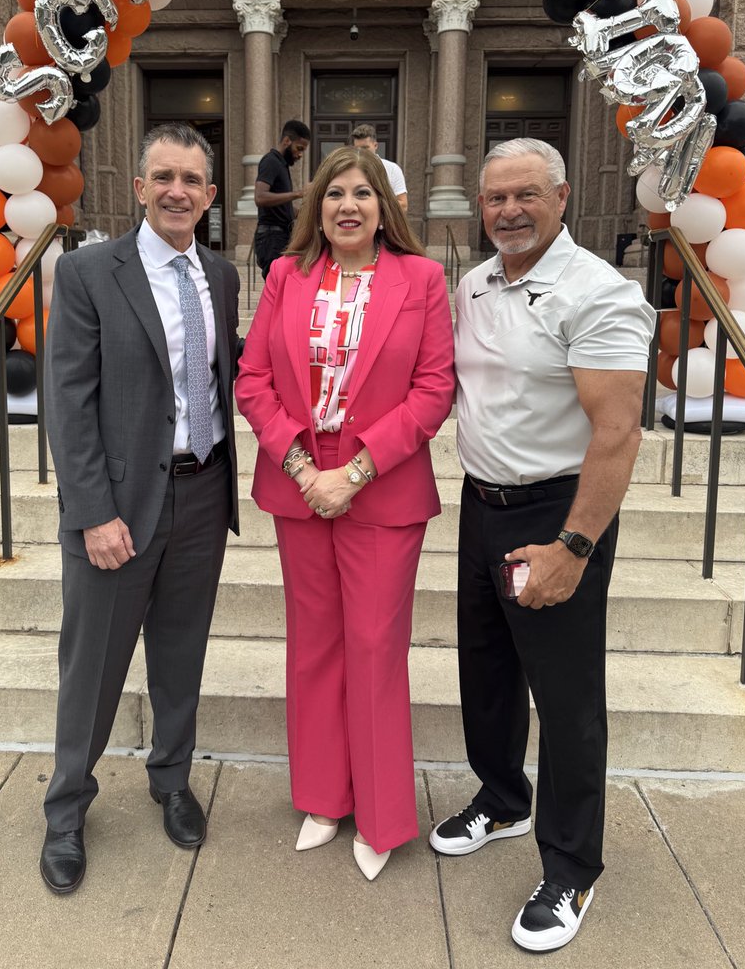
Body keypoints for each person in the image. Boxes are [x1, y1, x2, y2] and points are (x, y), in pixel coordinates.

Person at [430, 138, 655, 952]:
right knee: (485, 666)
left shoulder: (597, 293)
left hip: (558, 509)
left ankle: (571, 866)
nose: (509, 211)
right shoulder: (476, 283)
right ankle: (500, 797)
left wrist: (573, 546)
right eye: (495, 198)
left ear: (562, 197)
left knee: (563, 696)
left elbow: (619, 433)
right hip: (481, 501)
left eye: (526, 194)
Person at [236, 146, 455, 880]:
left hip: (381, 489)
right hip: (300, 487)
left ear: (384, 207)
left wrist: (354, 471)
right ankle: (324, 797)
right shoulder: (282, 277)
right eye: (334, 195)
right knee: (314, 645)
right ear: (316, 208)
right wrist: (304, 468)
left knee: (373, 648)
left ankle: (384, 814)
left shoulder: (421, 279)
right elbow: (253, 380)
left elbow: (433, 390)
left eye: (363, 193)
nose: (348, 206)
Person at [40, 122, 240, 894]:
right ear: (139, 187)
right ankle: (65, 810)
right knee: (91, 668)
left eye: (191, 180)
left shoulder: (220, 276)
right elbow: (70, 403)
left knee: (180, 657)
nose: (177, 191)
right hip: (119, 506)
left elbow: (230, 372)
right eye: (163, 177)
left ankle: (170, 779)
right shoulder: (91, 272)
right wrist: (92, 512)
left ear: (211, 195)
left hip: (201, 493)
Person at [253, 119, 311, 279]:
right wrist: (299, 193)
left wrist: (308, 212)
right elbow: (260, 197)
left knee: (282, 284)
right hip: (271, 238)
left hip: (280, 236)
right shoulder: (271, 161)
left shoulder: (281, 165)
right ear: (287, 141)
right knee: (275, 284)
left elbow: (282, 206)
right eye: (299, 148)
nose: (300, 154)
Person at [351, 122, 408, 212]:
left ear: (376, 145)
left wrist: (373, 205)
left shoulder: (392, 169)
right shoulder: (349, 169)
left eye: (365, 148)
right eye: (357, 149)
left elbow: (403, 205)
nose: (362, 152)